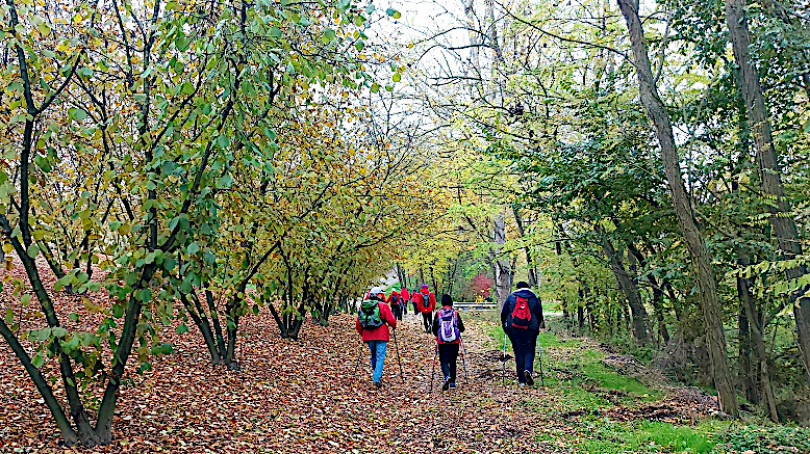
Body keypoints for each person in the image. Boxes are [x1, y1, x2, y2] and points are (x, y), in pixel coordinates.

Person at [501, 281, 543, 387]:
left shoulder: (511, 297)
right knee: (529, 350)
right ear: (528, 287)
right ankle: (528, 369)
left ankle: (521, 380)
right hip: (530, 329)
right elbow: (539, 314)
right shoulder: (533, 297)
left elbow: (504, 313)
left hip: (514, 329)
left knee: (518, 352)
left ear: (517, 288)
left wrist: (504, 326)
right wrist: (537, 327)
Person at [356, 287, 398, 389]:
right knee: (380, 356)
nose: (382, 295)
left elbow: (358, 323)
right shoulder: (383, 305)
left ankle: (376, 372)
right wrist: (393, 326)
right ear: (378, 295)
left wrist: (362, 333)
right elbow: (391, 320)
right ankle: (376, 378)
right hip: (381, 334)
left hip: (368, 335)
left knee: (373, 355)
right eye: (381, 294)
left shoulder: (363, 306)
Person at [431, 294, 465, 390]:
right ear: (451, 302)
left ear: (442, 303)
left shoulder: (438, 314)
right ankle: (453, 383)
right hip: (454, 342)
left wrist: (438, 335)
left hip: (442, 342)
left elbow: (434, 329)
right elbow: (462, 328)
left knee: (444, 360)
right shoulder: (455, 313)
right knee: (453, 361)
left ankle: (447, 376)